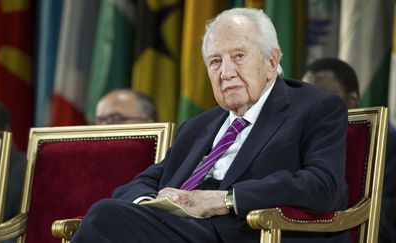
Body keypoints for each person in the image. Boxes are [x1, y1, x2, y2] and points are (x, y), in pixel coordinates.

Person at [72, 8, 350, 243]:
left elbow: (323, 185)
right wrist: (154, 202)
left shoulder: (315, 107)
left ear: (271, 61)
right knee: (109, 215)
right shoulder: (198, 127)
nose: (226, 72)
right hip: (177, 227)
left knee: (102, 217)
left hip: (242, 231)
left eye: (239, 56)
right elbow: (143, 182)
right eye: (215, 61)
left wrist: (225, 200)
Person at [303, 57, 396, 243]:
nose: (313, 105)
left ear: (352, 99)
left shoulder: (385, 141)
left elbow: (385, 219)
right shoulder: (305, 137)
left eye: (323, 96)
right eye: (307, 97)